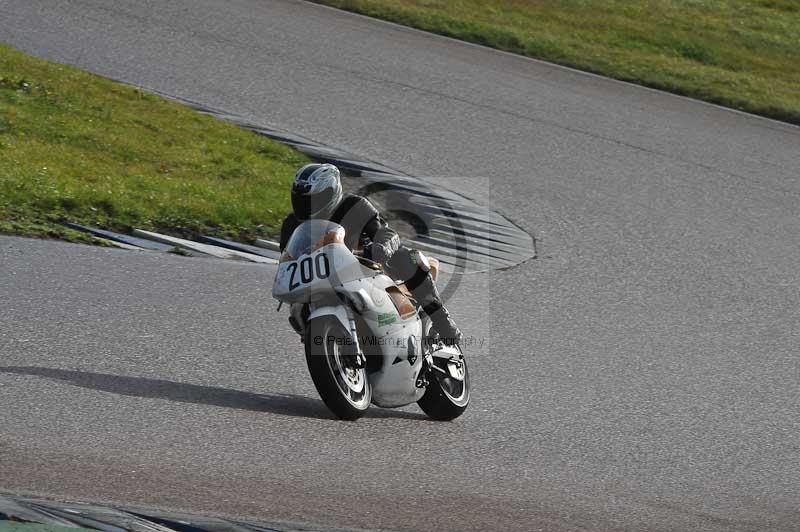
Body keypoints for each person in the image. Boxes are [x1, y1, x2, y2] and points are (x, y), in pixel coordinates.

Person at [279, 163, 462, 348]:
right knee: (296, 309)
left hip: (365, 269)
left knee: (409, 258)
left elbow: (385, 232)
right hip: (319, 280)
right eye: (302, 200)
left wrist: (381, 247)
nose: (306, 206)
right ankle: (325, 342)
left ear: (331, 193)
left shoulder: (354, 206)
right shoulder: (291, 225)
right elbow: (287, 260)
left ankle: (443, 322)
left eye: (314, 199)